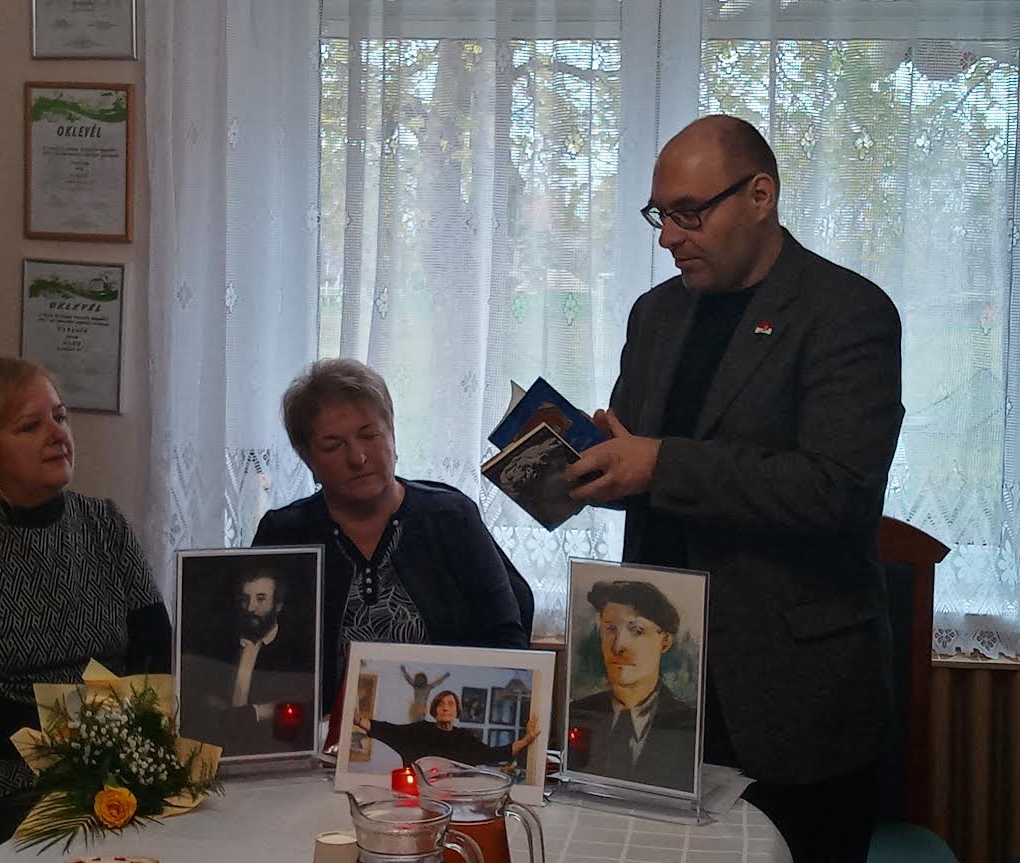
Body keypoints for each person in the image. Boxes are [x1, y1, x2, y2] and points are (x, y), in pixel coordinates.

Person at [565, 115, 904, 863]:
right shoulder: (654, 314)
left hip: (791, 692)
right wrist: (595, 463)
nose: (668, 237)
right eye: (660, 215)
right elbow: (644, 466)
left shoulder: (848, 312)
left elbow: (837, 488)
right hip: (658, 678)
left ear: (759, 196)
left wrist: (658, 464)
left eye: (689, 213)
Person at [0, 357, 171, 863]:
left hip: (110, 754)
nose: (57, 435)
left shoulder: (105, 524)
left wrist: (123, 738)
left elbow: (156, 652)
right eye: (29, 426)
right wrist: (72, 733)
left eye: (59, 417)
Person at [252, 358, 529, 710]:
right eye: (333, 446)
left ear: (392, 434)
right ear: (307, 459)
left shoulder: (450, 518)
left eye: (369, 435)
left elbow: (507, 645)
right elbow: (259, 657)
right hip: (319, 734)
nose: (358, 457)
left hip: (444, 729)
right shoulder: (284, 533)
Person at [566, 580, 696, 792]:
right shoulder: (578, 714)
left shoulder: (688, 725)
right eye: (610, 629)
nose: (618, 646)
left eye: (637, 631)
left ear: (665, 641)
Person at [178, 566, 317, 756]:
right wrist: (258, 712)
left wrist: (242, 716)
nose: (250, 608)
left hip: (269, 755)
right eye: (245, 599)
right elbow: (201, 708)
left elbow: (296, 712)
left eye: (261, 599)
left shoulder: (295, 654)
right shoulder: (219, 646)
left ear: (278, 605)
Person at [354, 690, 539, 768]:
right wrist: (358, 719)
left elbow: (494, 754)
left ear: (457, 711)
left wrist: (527, 739)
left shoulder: (464, 739)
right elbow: (388, 731)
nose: (445, 708)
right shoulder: (418, 731)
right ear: (434, 710)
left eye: (450, 704)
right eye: (441, 704)